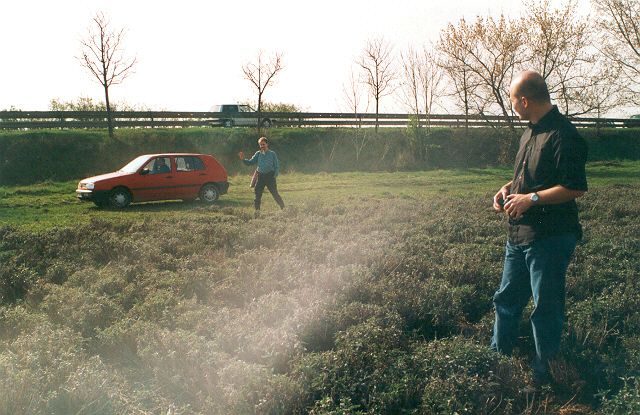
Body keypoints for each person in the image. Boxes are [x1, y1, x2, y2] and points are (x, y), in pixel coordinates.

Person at [490, 70, 588, 387]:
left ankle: (544, 376)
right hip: (518, 235)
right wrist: (507, 189)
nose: (511, 105)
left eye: (512, 99)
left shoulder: (565, 135)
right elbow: (527, 178)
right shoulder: (528, 133)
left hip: (549, 238)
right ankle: (496, 361)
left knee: (545, 309)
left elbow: (574, 188)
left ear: (525, 100)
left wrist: (531, 198)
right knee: (506, 301)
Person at [238, 137, 285, 215]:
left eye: (263, 144)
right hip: (260, 177)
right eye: (260, 145)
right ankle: (257, 212)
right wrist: (243, 159)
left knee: (275, 194)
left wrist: (275, 175)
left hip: (270, 177)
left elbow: (276, 166)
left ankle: (283, 208)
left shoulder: (272, 154)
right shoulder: (258, 154)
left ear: (267, 144)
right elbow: (250, 162)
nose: (262, 146)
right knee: (257, 195)